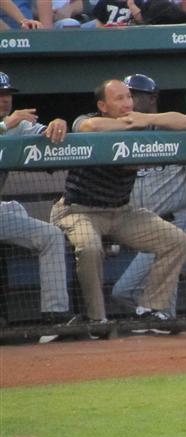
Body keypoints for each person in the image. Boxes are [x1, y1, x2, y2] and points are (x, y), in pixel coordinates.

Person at [50, 79, 186, 333]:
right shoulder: (88, 118)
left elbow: (185, 122)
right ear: (103, 105)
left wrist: (146, 119)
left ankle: (150, 310)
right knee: (89, 247)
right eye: (119, 98)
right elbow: (90, 126)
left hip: (121, 211)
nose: (127, 103)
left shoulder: (142, 122)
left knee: (176, 240)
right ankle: (97, 320)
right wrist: (131, 122)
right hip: (78, 210)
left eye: (128, 97)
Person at [111, 74, 186, 322]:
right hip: (144, 227)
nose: (130, 102)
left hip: (176, 221)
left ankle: (162, 324)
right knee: (147, 295)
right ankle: (158, 322)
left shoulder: (172, 130)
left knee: (129, 291)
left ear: (152, 98)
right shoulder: (122, 133)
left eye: (134, 96)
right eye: (126, 96)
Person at [0, 72, 74, 342]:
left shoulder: (17, 125)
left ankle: (55, 317)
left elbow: (46, 133)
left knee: (50, 235)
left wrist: (57, 123)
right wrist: (5, 125)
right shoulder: (10, 123)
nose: (5, 99)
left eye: (7, 94)